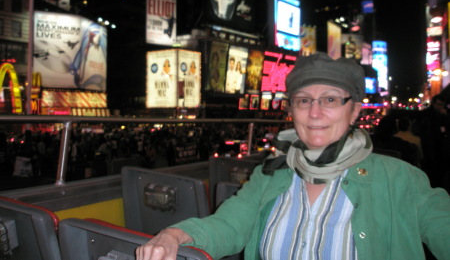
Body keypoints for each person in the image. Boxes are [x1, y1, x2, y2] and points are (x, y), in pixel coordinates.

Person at [136, 52, 450, 260]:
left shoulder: (400, 179)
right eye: (303, 101)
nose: (315, 112)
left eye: (330, 99)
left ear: (354, 110)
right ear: (292, 110)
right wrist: (174, 234)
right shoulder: (270, 174)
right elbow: (228, 226)